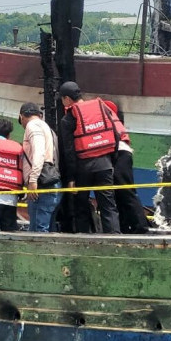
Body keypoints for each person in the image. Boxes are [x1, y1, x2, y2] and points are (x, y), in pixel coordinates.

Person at [59, 81, 120, 234]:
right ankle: (115, 240)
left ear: (67, 99)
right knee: (108, 206)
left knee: (81, 206)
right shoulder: (100, 108)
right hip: (105, 164)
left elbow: (69, 151)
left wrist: (71, 177)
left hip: (82, 167)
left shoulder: (68, 119)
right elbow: (116, 135)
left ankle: (83, 239)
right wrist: (111, 160)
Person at [104, 100, 150, 234]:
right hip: (122, 152)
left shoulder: (104, 116)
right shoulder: (111, 116)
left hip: (119, 153)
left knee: (126, 191)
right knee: (121, 192)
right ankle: (128, 226)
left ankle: (140, 226)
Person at [19, 102, 62, 232]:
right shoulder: (48, 129)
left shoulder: (33, 126)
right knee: (46, 229)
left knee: (38, 231)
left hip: (42, 185)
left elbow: (39, 152)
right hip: (52, 182)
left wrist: (32, 180)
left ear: (21, 117)